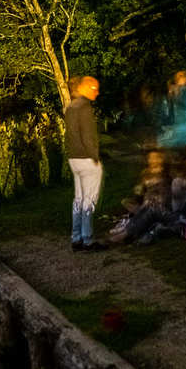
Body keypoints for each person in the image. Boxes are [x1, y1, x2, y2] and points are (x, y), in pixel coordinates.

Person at [64, 74, 105, 252]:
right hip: (87, 159)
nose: (97, 93)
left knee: (78, 198)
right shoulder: (85, 108)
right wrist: (95, 156)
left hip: (73, 158)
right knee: (89, 200)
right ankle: (87, 240)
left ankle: (76, 238)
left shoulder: (71, 107)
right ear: (87, 88)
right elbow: (88, 136)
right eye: (95, 89)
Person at [159, 70, 186, 149]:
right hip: (179, 128)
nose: (178, 79)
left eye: (181, 76)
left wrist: (177, 94)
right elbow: (168, 109)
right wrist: (171, 94)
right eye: (178, 77)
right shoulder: (179, 89)